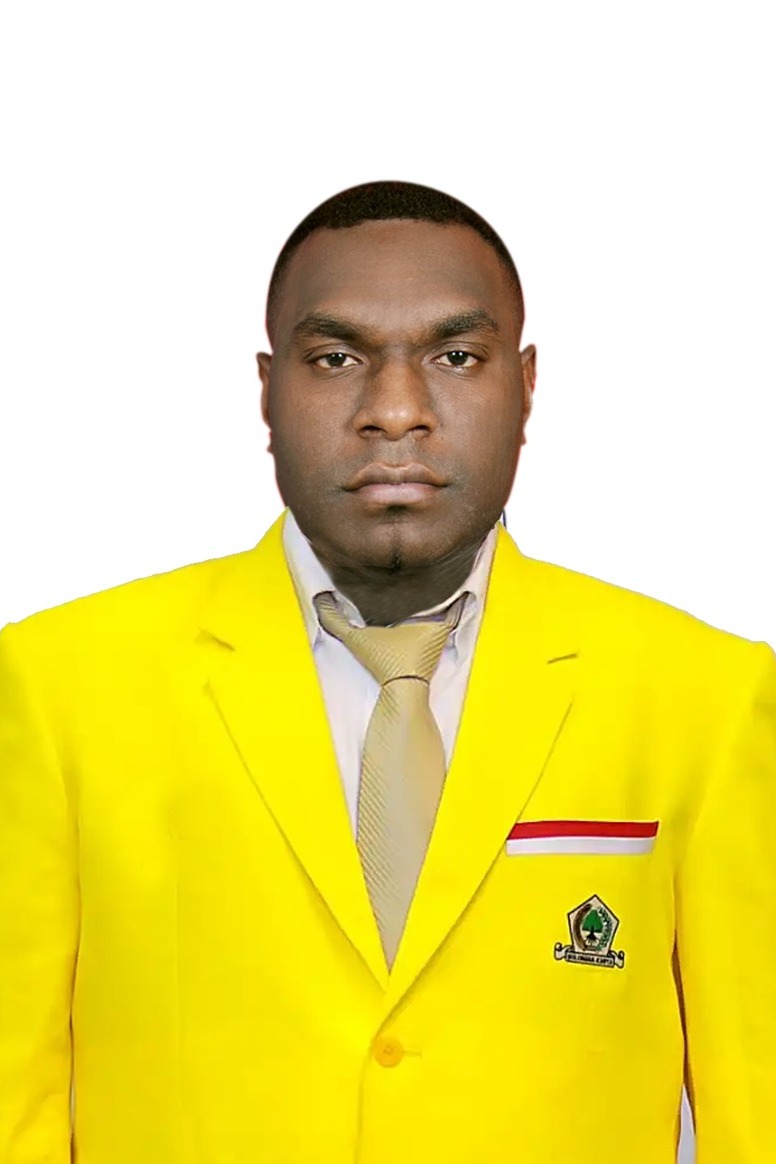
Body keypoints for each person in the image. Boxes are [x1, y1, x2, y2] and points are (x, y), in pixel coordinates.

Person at [1, 180, 774, 1164]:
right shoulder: (58, 686)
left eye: (456, 357)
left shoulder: (703, 697)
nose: (395, 411)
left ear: (526, 385)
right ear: (267, 390)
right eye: (336, 359)